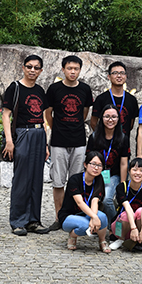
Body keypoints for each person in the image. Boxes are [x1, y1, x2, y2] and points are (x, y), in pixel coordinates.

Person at [46, 55, 93, 232]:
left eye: (76, 69)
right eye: (69, 68)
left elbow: (84, 113)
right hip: (58, 141)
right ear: (63, 69)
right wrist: (57, 128)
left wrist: (74, 126)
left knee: (76, 181)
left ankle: (73, 215)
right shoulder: (54, 89)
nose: (72, 72)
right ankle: (59, 217)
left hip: (79, 141)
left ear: (80, 70)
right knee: (58, 181)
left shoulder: (85, 89)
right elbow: (48, 113)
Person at [58, 152, 110, 252]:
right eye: (93, 164)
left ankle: (102, 241)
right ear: (85, 164)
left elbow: (95, 201)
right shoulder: (75, 179)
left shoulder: (99, 180)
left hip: (86, 214)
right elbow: (80, 202)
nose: (96, 168)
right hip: (69, 216)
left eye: (99, 165)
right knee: (85, 226)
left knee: (102, 217)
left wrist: (93, 217)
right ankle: (72, 235)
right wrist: (94, 217)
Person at [87, 105, 129, 219]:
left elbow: (124, 163)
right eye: (107, 116)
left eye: (114, 117)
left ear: (118, 119)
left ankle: (115, 223)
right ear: (102, 118)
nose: (110, 120)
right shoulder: (94, 137)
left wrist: (123, 184)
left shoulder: (123, 138)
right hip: (96, 174)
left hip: (113, 175)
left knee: (107, 200)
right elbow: (88, 160)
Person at [110, 157, 142, 251]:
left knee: (141, 211)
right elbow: (127, 207)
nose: (138, 173)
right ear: (129, 171)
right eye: (135, 170)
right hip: (121, 226)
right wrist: (133, 228)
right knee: (127, 214)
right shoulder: (122, 187)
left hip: (139, 227)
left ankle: (141, 239)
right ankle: (121, 239)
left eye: (141, 170)